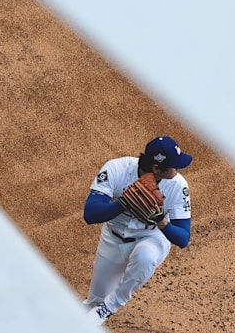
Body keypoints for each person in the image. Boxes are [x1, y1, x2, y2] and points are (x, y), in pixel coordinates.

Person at [82, 136, 193, 325]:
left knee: (145, 257)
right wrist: (123, 204)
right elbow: (90, 214)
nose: (179, 168)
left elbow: (183, 238)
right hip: (113, 240)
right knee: (93, 303)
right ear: (157, 168)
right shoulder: (117, 169)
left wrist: (162, 222)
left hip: (151, 237)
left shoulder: (178, 185)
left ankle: (110, 307)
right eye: (174, 165)